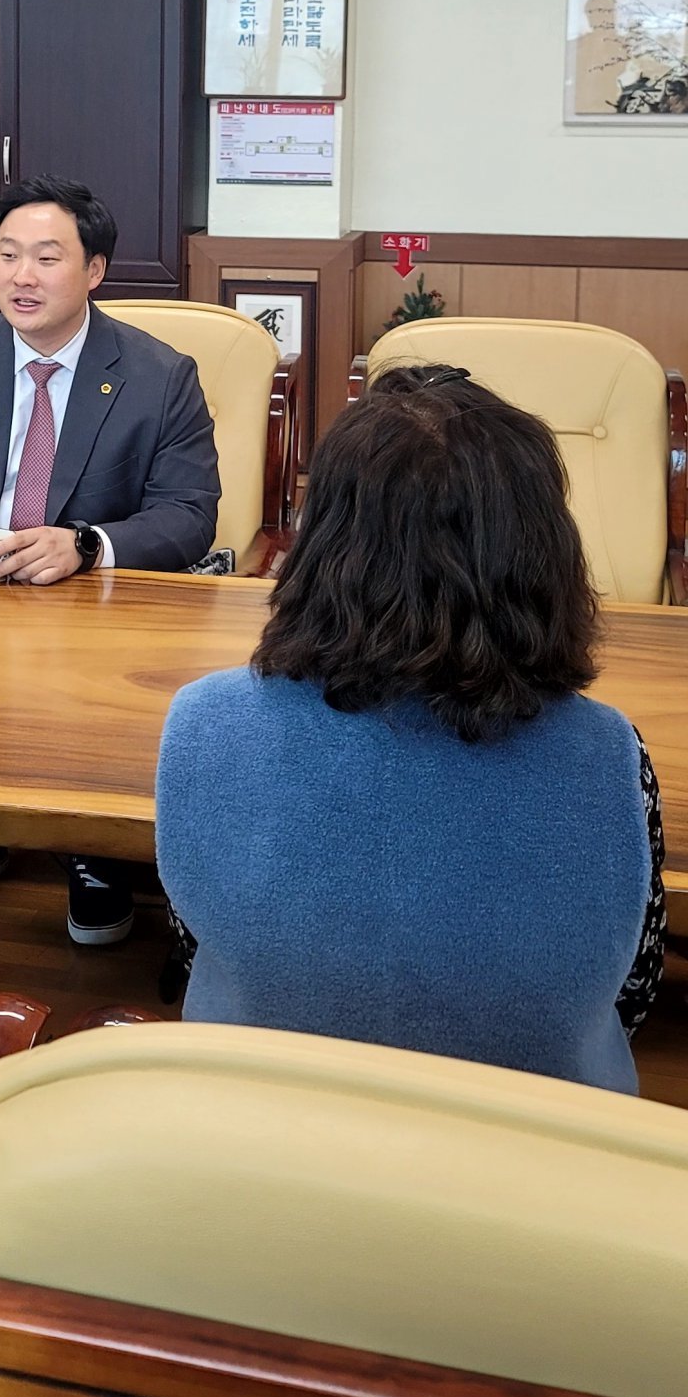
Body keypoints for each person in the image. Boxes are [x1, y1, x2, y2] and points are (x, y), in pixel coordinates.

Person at [156, 364, 665, 1093]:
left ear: (322, 540)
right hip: (543, 1160)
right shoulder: (608, 756)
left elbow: (200, 940)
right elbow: (634, 990)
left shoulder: (201, 725)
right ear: (541, 549)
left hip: (259, 1144)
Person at [0, 173, 221, 944]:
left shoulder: (161, 378)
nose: (21, 276)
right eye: (6, 255)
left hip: (92, 610)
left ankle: (92, 852)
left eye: (47, 257)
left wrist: (89, 546)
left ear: (94, 270)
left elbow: (189, 518)